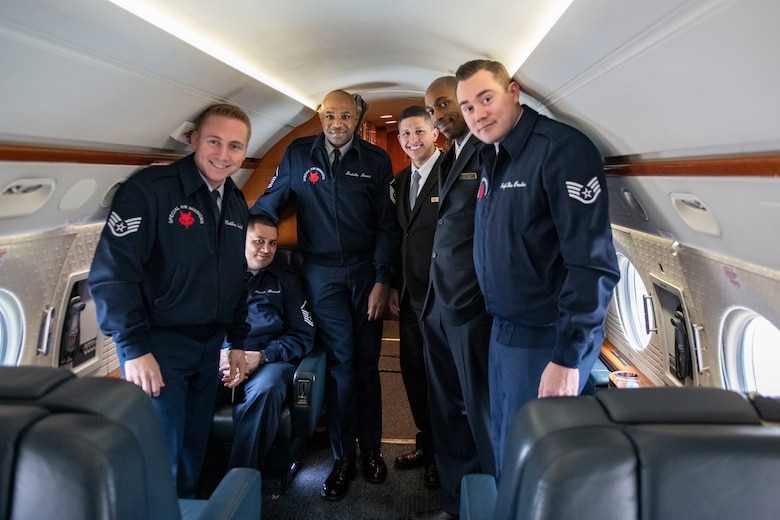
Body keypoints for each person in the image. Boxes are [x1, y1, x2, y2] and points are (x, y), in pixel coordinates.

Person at [455, 59, 620, 479]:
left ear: (513, 92)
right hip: (504, 329)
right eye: (468, 107)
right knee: (507, 450)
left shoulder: (560, 149)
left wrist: (568, 356)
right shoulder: (491, 153)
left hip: (546, 337)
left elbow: (592, 263)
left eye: (485, 98)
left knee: (535, 463)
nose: (477, 114)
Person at [88, 104, 252, 497]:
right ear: (193, 139)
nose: (223, 155)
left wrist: (237, 339)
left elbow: (235, 276)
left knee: (194, 449)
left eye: (235, 146)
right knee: (163, 455)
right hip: (160, 347)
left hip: (209, 344)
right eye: (214, 141)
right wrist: (133, 348)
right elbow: (113, 273)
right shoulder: (150, 189)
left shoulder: (235, 202)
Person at [250, 90, 401, 501]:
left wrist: (383, 280)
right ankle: (342, 458)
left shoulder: (375, 160)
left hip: (366, 272)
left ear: (358, 118)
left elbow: (388, 227)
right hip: (321, 275)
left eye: (346, 116)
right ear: (320, 114)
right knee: (341, 365)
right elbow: (269, 201)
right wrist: (237, 229)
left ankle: (371, 450)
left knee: (367, 364)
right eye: (330, 114)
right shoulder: (298, 154)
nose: (338, 123)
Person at [411, 77, 496, 520]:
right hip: (437, 304)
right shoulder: (450, 158)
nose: (438, 114)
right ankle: (454, 501)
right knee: (445, 411)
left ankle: (486, 506)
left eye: (444, 103)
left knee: (480, 414)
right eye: (433, 108)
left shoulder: (489, 152)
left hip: (473, 307)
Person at [214, 213, 315, 470]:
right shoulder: (216, 273)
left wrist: (264, 356)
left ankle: (240, 480)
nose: (267, 249)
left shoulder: (286, 280)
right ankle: (187, 483)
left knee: (267, 390)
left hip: (269, 360)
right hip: (221, 359)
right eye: (259, 241)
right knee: (185, 386)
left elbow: (303, 334)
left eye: (272, 243)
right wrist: (217, 353)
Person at [387, 105, 443, 490]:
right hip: (409, 296)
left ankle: (446, 454)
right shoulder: (401, 179)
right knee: (414, 375)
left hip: (443, 297)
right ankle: (425, 442)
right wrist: (393, 284)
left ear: (435, 133)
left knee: (444, 380)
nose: (412, 140)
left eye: (419, 132)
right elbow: (398, 237)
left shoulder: (455, 172)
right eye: (405, 134)